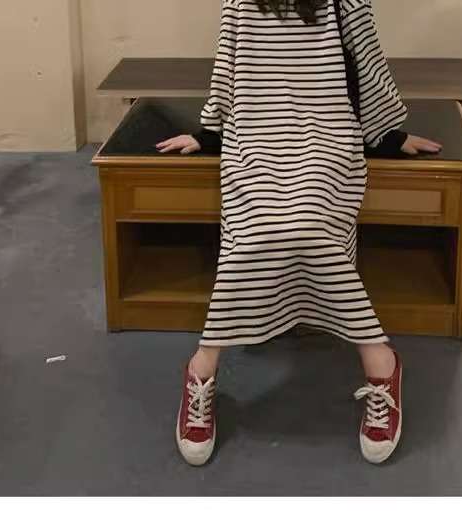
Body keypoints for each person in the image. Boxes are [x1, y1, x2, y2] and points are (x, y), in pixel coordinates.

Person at [156, 0, 442, 466]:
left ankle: (380, 361)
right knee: (255, 230)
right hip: (255, 138)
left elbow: (367, 60)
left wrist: (388, 135)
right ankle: (203, 364)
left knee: (310, 225)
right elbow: (227, 65)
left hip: (328, 135)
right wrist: (210, 133)